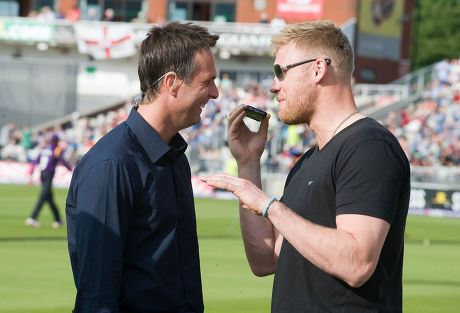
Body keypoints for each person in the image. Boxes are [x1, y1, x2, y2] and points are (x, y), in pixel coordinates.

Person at [202, 20, 410, 313]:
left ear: (317, 69)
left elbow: (357, 263)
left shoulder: (369, 146)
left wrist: (269, 206)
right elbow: (265, 260)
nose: (274, 85)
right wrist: (248, 163)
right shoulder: (309, 161)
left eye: (280, 72)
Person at [66, 22, 219, 313]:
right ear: (171, 83)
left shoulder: (175, 156)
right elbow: (97, 297)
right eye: (207, 81)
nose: (215, 93)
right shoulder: (111, 166)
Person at [26, 134, 72, 228]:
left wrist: (31, 173)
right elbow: (62, 160)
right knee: (43, 196)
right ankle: (32, 218)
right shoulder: (56, 149)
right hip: (49, 175)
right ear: (57, 141)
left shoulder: (44, 148)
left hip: (42, 174)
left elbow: (35, 161)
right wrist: (70, 169)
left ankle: (58, 219)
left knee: (49, 198)